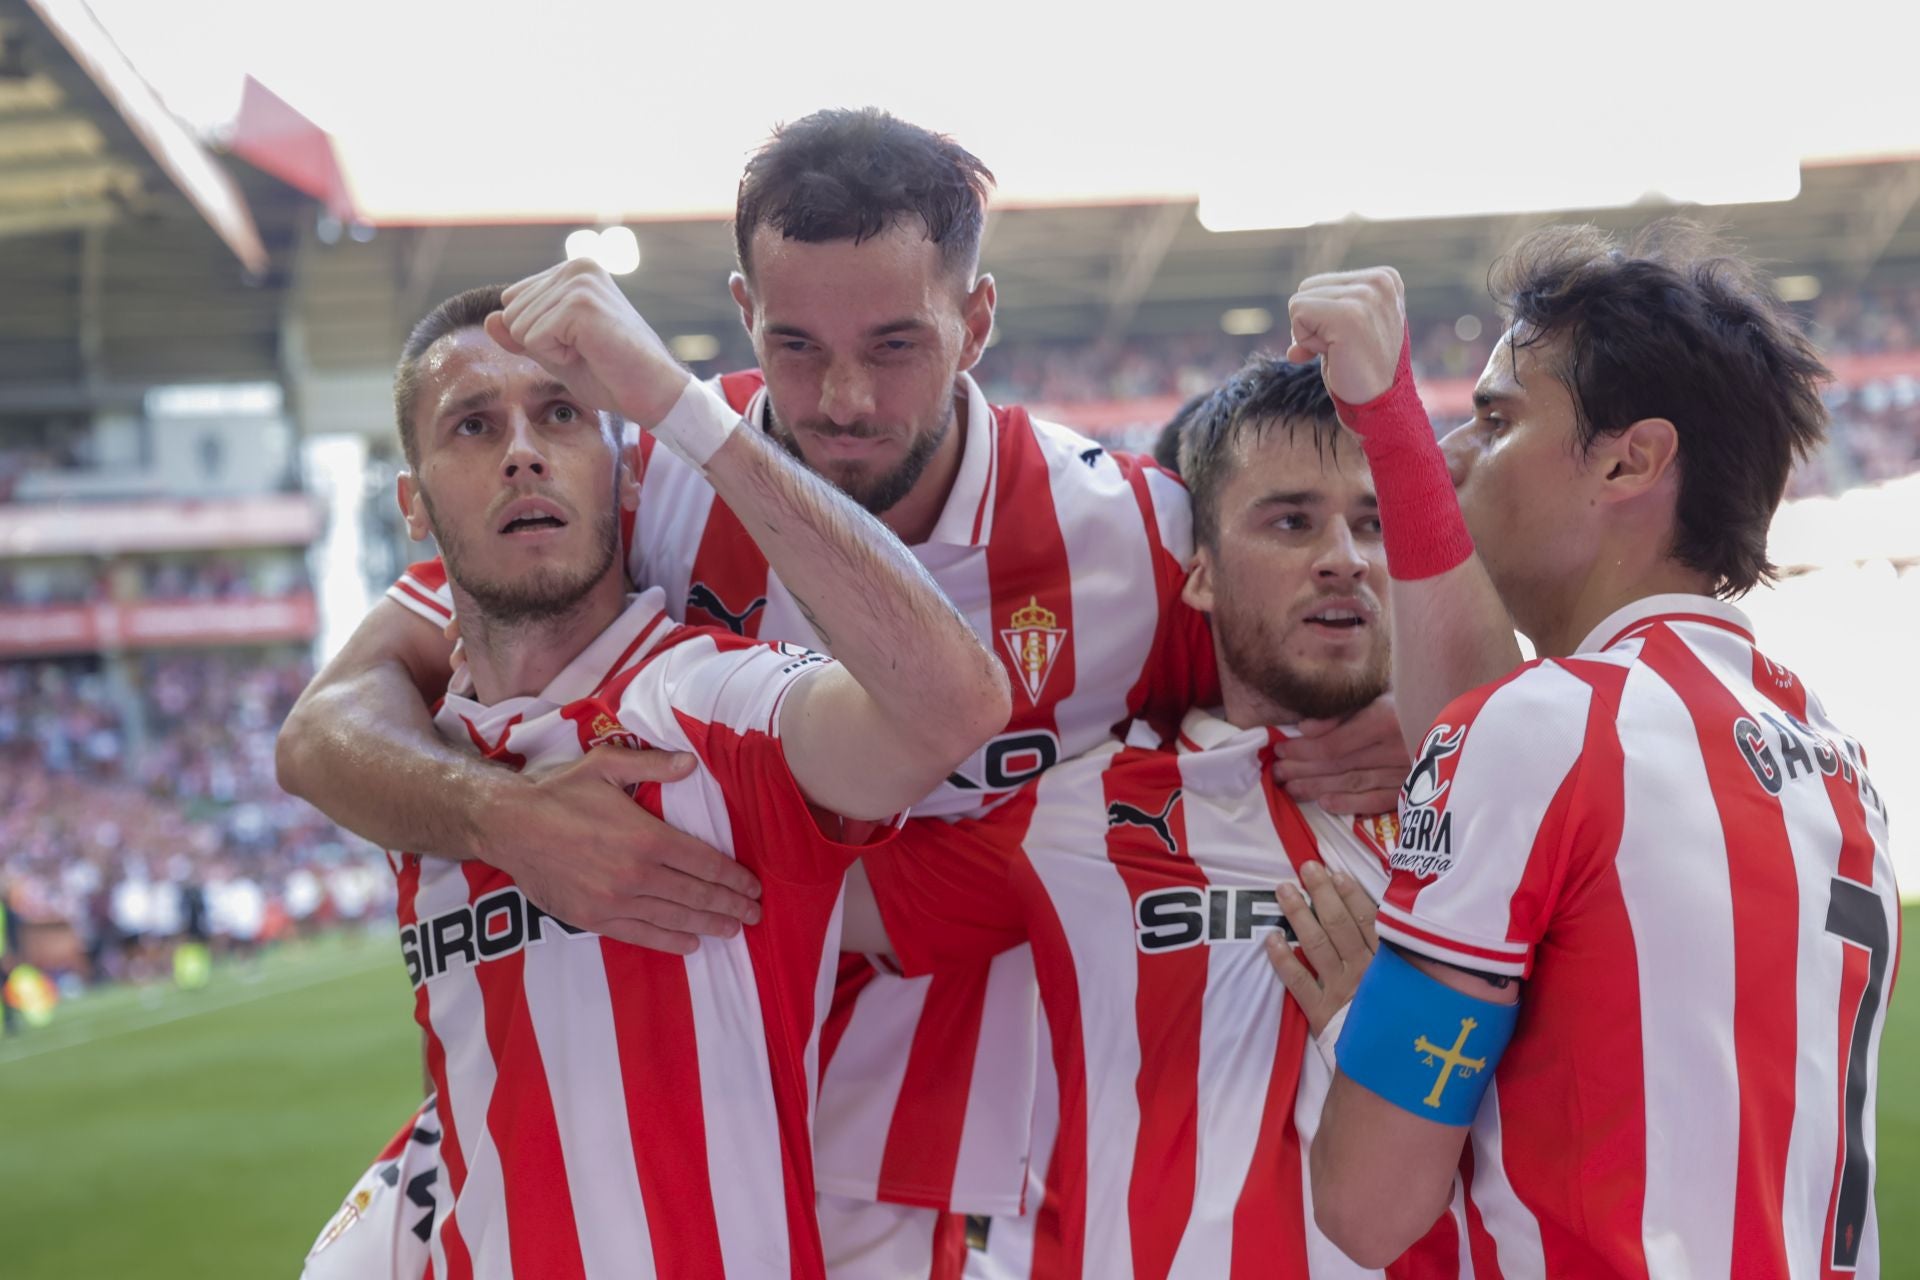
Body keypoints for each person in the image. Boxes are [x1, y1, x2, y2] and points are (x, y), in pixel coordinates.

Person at [278, 108, 1405, 1276]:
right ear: (744, 311)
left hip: (936, 1160)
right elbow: (326, 725)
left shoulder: (1127, 536)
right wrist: (497, 815)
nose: (844, 398)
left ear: (976, 322)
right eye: (798, 345)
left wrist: (1387, 702)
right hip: (658, 1125)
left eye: (895, 344)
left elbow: (1318, 659)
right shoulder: (644, 472)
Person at [307, 261, 1009, 1277]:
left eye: (560, 415)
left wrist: (683, 410)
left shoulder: (712, 702)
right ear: (413, 505)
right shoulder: (426, 756)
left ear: (630, 473)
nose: (520, 453)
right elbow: (312, 736)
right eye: (472, 424)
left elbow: (956, 704)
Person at [1289, 223, 1901, 1276]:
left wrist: (1358, 1013)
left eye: (1496, 416)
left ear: (1631, 457)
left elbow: (1368, 1202)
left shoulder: (1541, 728)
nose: (1452, 452)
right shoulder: (1836, 763)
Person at [841, 357, 1456, 1277]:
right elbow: (798, 896)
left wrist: (1388, 1032)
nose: (1345, 556)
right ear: (1197, 575)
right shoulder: (1073, 813)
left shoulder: (1479, 799)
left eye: (1374, 522)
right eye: (1292, 520)